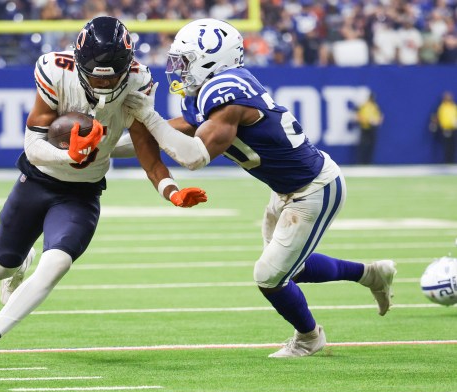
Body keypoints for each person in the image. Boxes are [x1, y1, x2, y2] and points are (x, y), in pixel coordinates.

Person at [124, 18, 396, 358]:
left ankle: (310, 338)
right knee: (290, 269)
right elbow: (178, 130)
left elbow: (193, 157)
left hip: (314, 187)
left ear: (212, 59)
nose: (179, 69)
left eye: (185, 60)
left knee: (269, 276)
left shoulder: (226, 93)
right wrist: (115, 144)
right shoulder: (216, 88)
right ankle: (371, 274)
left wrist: (147, 118)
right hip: (285, 189)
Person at [0, 16, 207, 370]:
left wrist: (170, 190)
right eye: (96, 74)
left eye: (111, 75)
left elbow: (147, 152)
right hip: (38, 179)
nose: (103, 82)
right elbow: (31, 145)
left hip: (82, 192)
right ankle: (19, 264)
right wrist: (68, 155)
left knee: (56, 262)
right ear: (78, 62)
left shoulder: (139, 83)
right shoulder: (55, 70)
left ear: (126, 67)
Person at [429, 91, 457, 163]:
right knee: (447, 146)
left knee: (453, 146)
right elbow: (437, 117)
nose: (448, 98)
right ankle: (447, 161)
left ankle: (452, 161)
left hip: (454, 129)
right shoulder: (442, 107)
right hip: (445, 129)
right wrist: (434, 124)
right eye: (447, 97)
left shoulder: (454, 107)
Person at [355, 92, 383, 164]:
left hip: (372, 129)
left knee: (371, 147)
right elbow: (358, 116)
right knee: (363, 146)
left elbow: (379, 117)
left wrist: (376, 121)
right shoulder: (364, 106)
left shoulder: (374, 106)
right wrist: (367, 121)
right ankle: (361, 162)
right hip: (364, 128)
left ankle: (368, 162)